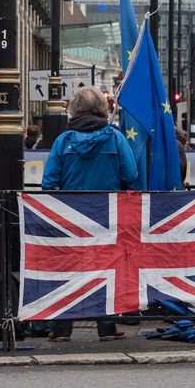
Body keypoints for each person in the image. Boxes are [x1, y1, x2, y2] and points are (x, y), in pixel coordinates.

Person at [40, 86, 138, 343]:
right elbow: (131, 175)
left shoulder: (64, 140)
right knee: (107, 267)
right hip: (107, 214)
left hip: (71, 216)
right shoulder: (115, 138)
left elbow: (48, 183)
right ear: (101, 110)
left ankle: (62, 329)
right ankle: (106, 328)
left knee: (69, 270)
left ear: (75, 109)